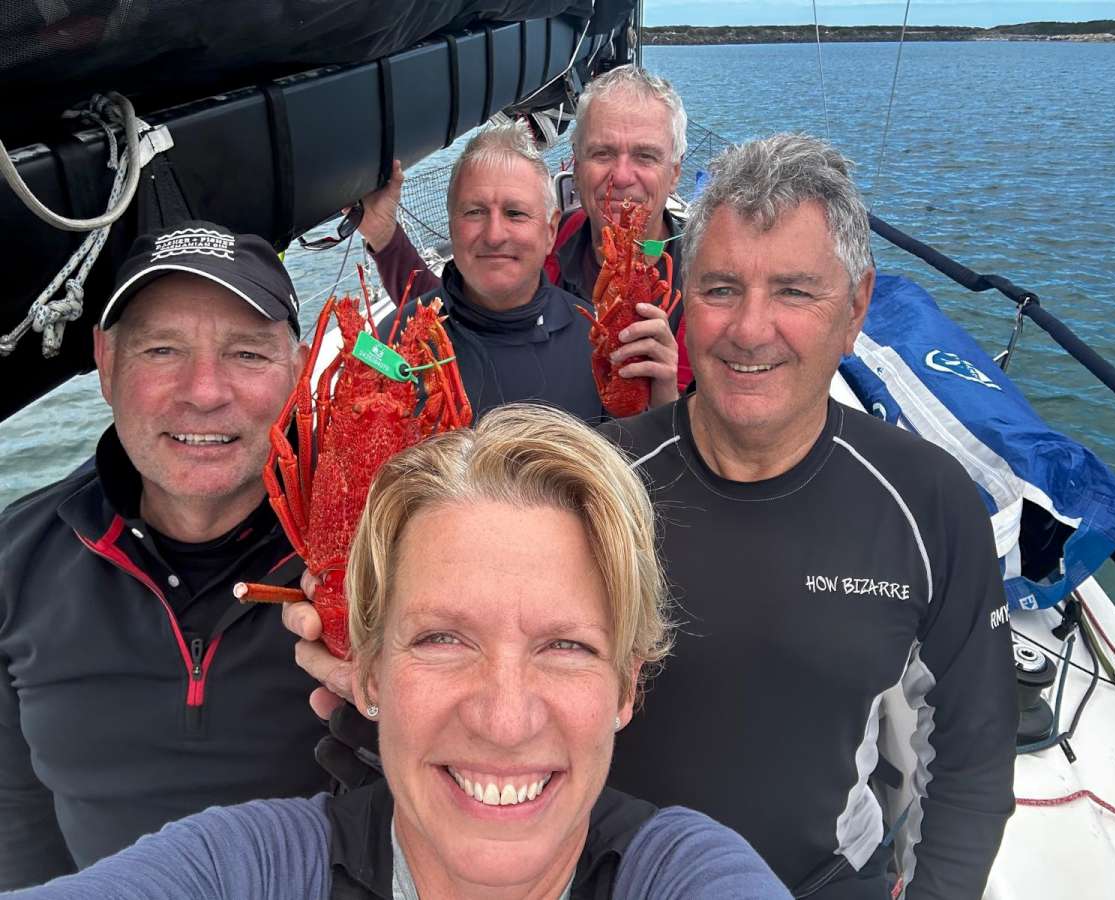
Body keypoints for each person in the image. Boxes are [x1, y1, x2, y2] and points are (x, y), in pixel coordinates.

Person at [286, 134, 1019, 900]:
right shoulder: (591, 485)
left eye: (795, 292)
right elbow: (475, 670)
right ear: (680, 296)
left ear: (856, 306)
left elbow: (972, 746)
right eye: (721, 288)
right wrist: (366, 671)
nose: (749, 329)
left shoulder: (928, 501)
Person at [6, 405, 792, 900]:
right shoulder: (245, 867)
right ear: (367, 673)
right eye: (442, 639)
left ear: (627, 686)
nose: (504, 718)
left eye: (565, 645)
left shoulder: (686, 873)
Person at [0, 222, 329, 889]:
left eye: (247, 354)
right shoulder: (14, 564)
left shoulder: (383, 551)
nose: (204, 391)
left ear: (297, 373)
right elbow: (16, 816)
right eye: (161, 350)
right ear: (105, 363)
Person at [362, 65, 695, 391]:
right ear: (576, 167)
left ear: (675, 172)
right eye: (602, 153)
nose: (621, 177)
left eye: (645, 156)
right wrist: (385, 236)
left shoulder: (702, 279)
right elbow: (460, 311)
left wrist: (665, 398)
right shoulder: (545, 236)